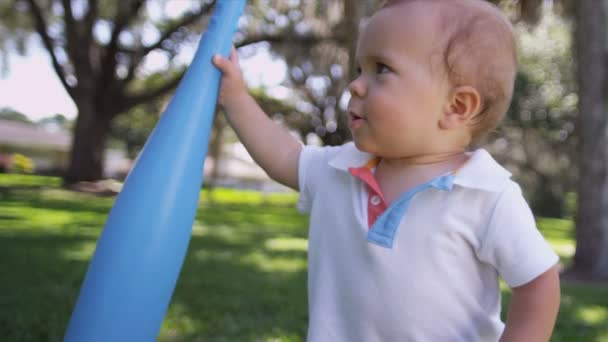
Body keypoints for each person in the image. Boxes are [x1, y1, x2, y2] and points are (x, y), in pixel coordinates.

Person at [212, 0, 561, 340]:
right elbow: (284, 156)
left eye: (381, 69)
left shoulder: (487, 194)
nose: (355, 85)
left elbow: (538, 283)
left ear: (456, 106)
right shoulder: (339, 169)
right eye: (359, 69)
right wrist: (237, 98)